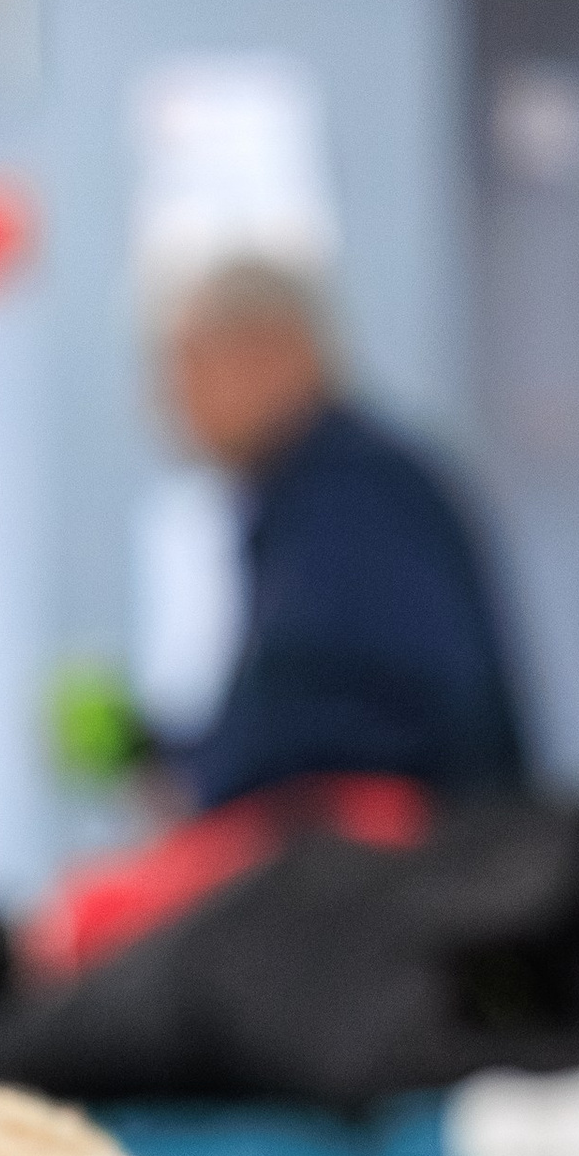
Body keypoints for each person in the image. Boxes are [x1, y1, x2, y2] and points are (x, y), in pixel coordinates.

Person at [157, 254, 530, 810]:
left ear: (275, 352)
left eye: (192, 364)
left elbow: (344, 716)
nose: (173, 400)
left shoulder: (353, 493)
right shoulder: (307, 492)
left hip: (413, 864)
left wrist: (208, 775)